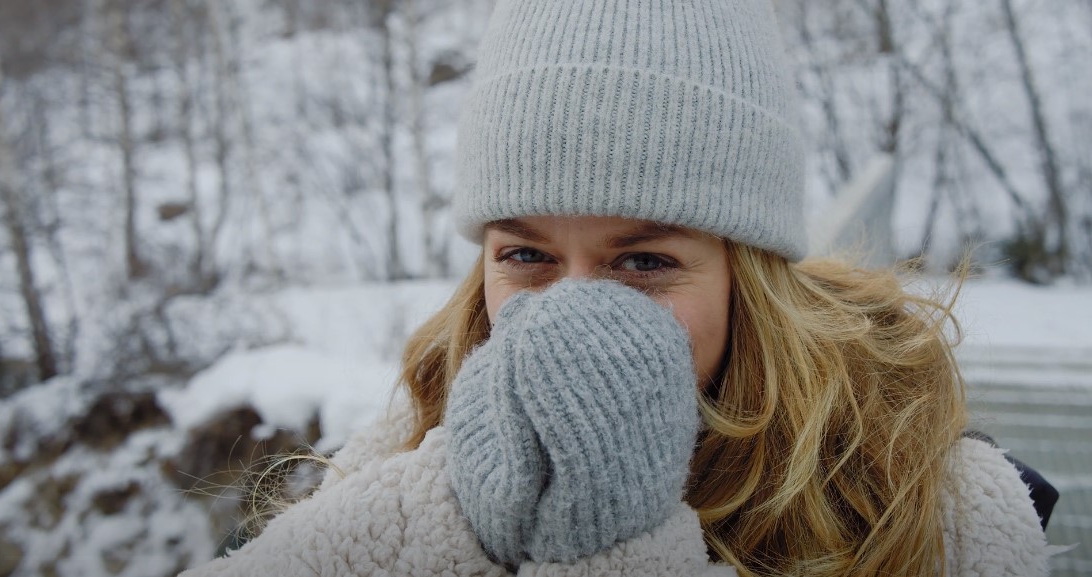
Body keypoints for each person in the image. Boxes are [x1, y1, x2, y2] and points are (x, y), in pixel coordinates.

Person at [180, 0, 1056, 575]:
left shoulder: (922, 516)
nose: (571, 312)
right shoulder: (403, 460)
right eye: (525, 256)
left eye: (643, 263)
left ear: (748, 273)